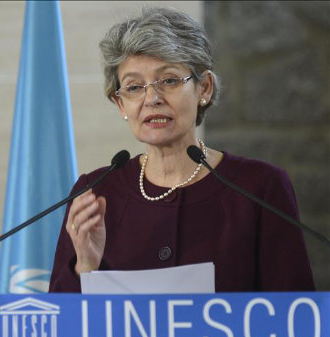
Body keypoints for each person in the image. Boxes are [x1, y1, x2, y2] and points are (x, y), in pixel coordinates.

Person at [48, 7, 314, 293]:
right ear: (121, 104)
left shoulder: (260, 189)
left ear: (204, 89)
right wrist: (86, 266)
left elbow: (295, 318)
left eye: (170, 80)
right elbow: (62, 326)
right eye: (134, 87)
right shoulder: (95, 192)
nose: (152, 98)